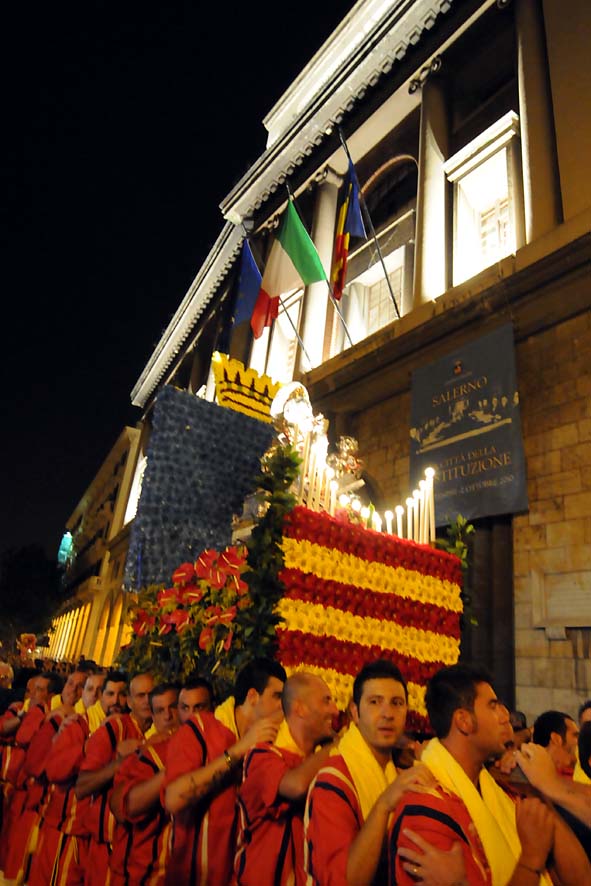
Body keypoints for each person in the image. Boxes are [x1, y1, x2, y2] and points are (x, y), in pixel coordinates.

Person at [389, 663, 591, 884]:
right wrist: (531, 858)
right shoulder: (426, 808)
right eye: (493, 706)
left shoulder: (504, 791)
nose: (505, 715)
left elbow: (581, 880)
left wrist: (540, 792)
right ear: (464, 721)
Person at [305, 659, 435, 885]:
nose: (387, 713)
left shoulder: (399, 774)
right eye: (375, 702)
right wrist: (384, 805)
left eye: (397, 703)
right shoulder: (334, 779)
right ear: (355, 712)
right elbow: (344, 881)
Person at [163, 658, 286, 884]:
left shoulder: (272, 746)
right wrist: (238, 750)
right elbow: (174, 798)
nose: (283, 706)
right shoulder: (202, 729)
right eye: (277, 697)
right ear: (252, 697)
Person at [235, 672, 338, 885]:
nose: (335, 710)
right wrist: (336, 746)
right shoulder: (262, 755)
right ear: (299, 708)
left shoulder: (317, 757)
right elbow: (296, 786)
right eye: (326, 701)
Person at [27, 670, 128, 886]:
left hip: (98, 843)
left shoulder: (127, 730)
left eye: (122, 694)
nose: (115, 700)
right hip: (67, 834)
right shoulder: (78, 724)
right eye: (106, 693)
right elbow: (53, 769)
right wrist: (89, 744)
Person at [75, 672, 154, 886]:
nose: (147, 701)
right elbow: (82, 787)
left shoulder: (162, 734)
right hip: (106, 852)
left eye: (151, 694)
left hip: (139, 857)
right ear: (129, 701)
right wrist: (121, 764)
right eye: (140, 695)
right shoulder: (114, 729)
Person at [109, 682, 179, 885]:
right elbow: (121, 806)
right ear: (154, 717)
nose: (168, 717)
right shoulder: (138, 755)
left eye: (173, 707)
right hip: (139, 873)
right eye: (160, 711)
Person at [532, 710, 578, 775]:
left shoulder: (580, 775)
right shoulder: (528, 776)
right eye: (576, 735)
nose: (581, 740)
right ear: (556, 739)